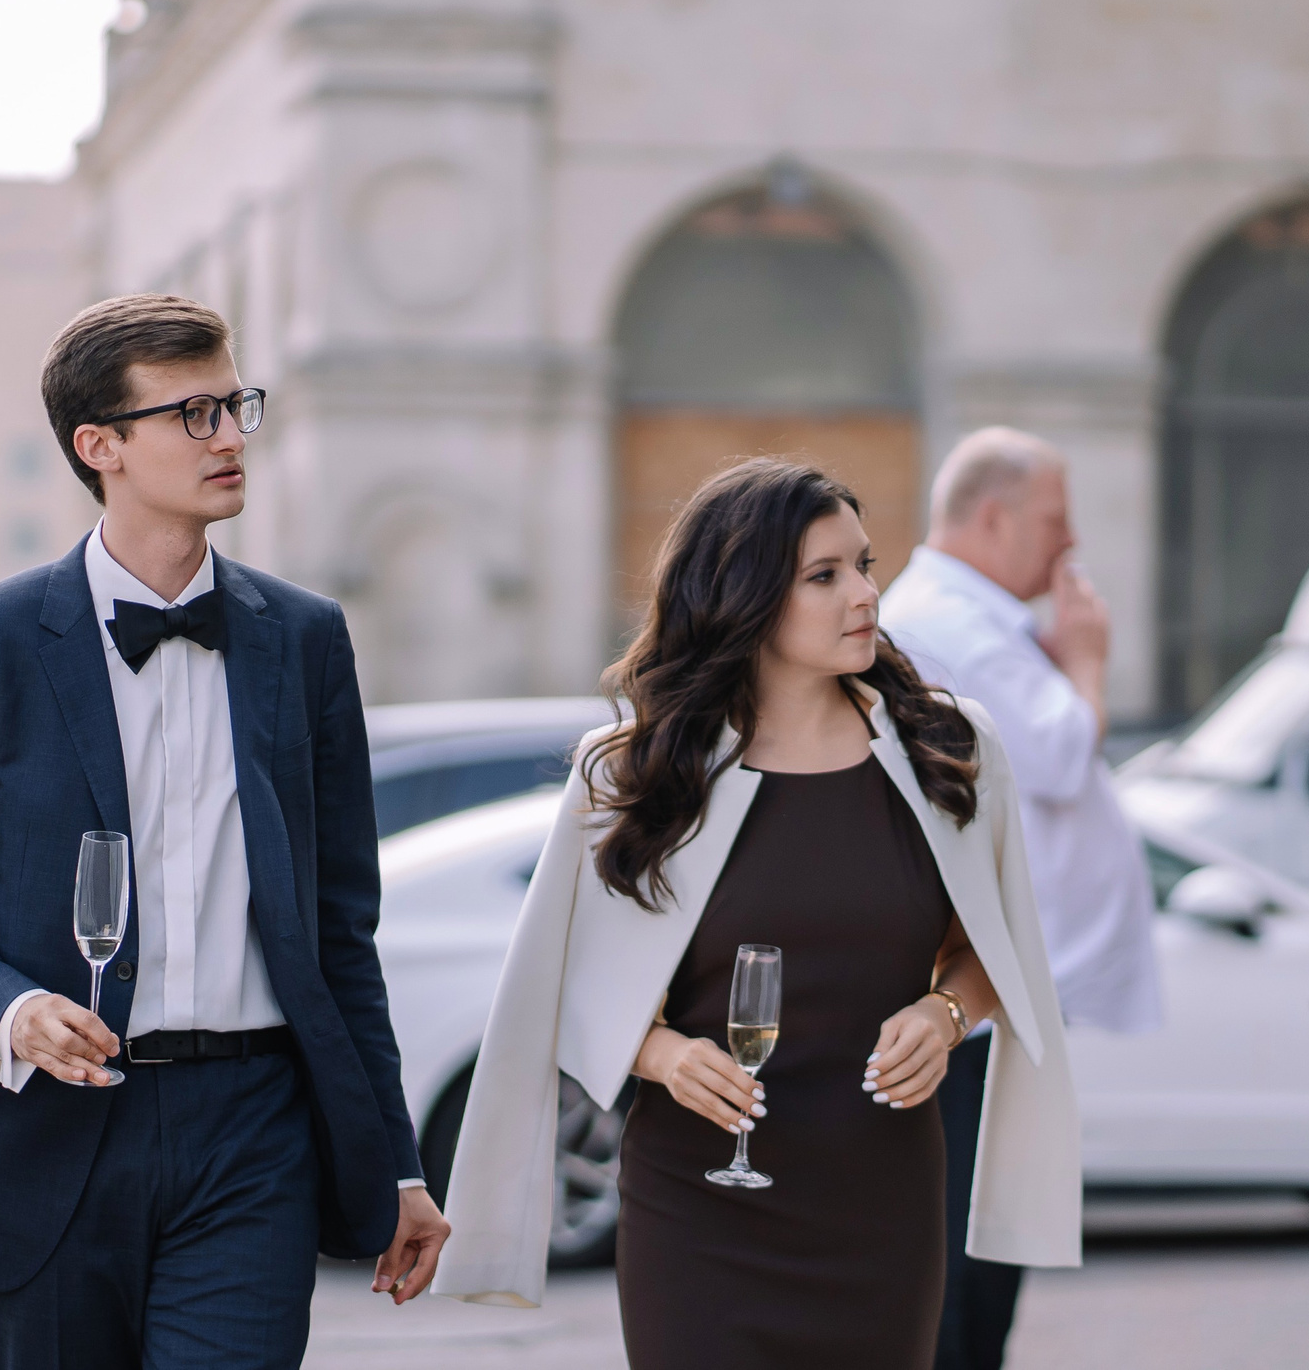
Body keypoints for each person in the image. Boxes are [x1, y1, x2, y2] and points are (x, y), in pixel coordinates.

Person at [0, 294, 450, 1369]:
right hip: (52, 1128)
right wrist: (11, 1008)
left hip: (253, 1132)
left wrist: (399, 1164)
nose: (231, 436)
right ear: (102, 446)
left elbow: (338, 933)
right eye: (193, 414)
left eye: (236, 405)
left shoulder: (308, 641)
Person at [431, 458, 1081, 1367]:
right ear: (744, 597)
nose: (864, 594)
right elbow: (559, 981)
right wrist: (662, 1054)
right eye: (825, 576)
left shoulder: (950, 748)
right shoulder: (630, 772)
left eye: (865, 565)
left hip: (882, 1202)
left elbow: (994, 953)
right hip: (696, 1206)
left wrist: (946, 1013)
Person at [876, 427, 1162, 1370]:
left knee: (990, 1247)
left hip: (998, 995)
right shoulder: (950, 622)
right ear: (992, 517)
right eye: (1054, 517)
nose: (1070, 540)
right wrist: (1085, 662)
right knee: (968, 1256)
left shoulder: (982, 623)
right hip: (971, 1002)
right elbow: (1059, 751)